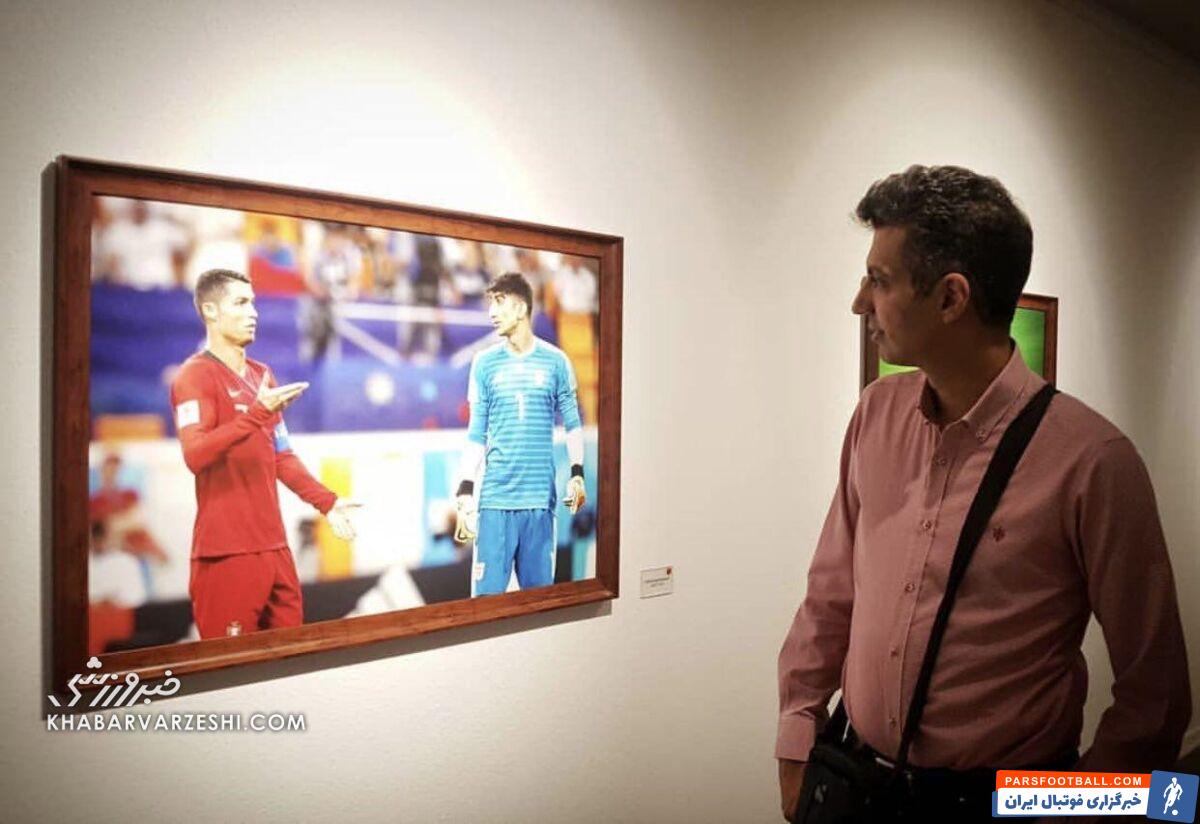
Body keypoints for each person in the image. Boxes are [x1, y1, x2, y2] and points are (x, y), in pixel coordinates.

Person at [776, 165, 1190, 822]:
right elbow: (830, 594)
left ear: (950, 298)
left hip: (1005, 802)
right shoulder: (877, 415)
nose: (859, 302)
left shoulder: (1094, 461)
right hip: (858, 782)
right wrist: (796, 743)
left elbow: (1156, 697)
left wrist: (1074, 814)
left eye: (879, 280)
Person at [169, 268, 359, 639]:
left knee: (289, 662)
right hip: (227, 554)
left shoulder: (262, 375)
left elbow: (281, 456)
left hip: (276, 550)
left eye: (253, 303)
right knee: (231, 668)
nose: (253, 312)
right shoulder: (194, 376)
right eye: (241, 303)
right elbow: (195, 455)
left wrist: (327, 501)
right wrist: (256, 414)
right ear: (210, 311)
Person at [454, 272, 587, 596]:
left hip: (540, 503)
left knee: (538, 603)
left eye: (499, 302)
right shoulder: (484, 363)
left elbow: (572, 423)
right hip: (495, 503)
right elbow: (476, 432)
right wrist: (465, 490)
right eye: (491, 303)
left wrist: (577, 474)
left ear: (521, 308)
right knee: (486, 605)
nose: (492, 312)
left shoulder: (556, 362)